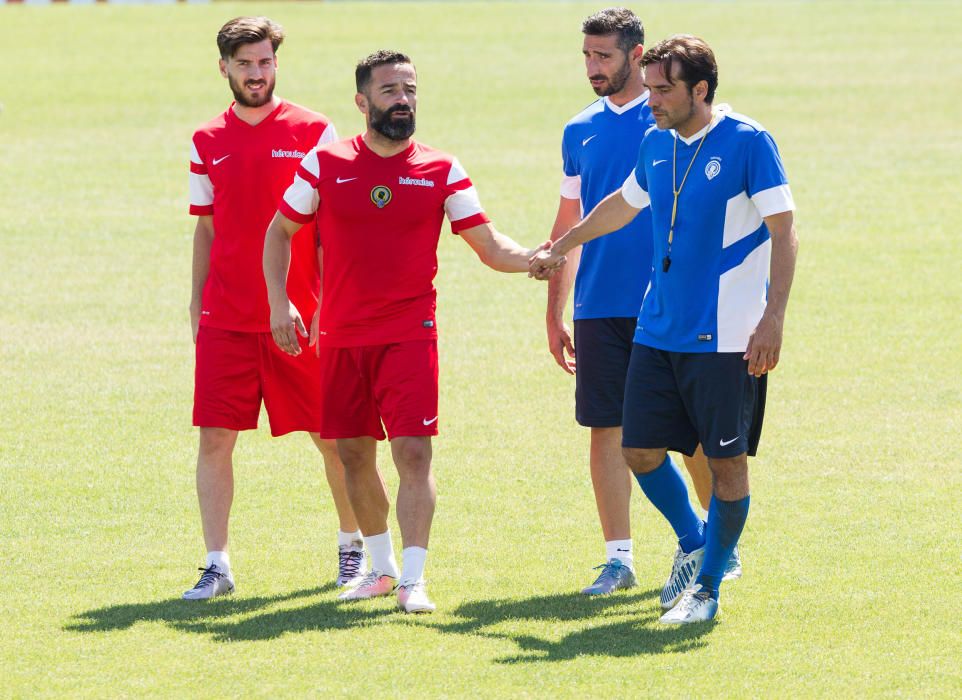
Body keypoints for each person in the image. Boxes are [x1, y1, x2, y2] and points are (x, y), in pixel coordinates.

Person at [263, 50, 558, 613]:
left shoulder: (442, 169)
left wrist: (533, 259)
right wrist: (281, 300)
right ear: (362, 101)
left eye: (410, 90)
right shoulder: (324, 165)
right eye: (390, 90)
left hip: (409, 333)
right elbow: (279, 232)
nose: (403, 100)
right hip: (343, 337)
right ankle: (379, 567)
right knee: (352, 454)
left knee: (413, 454)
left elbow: (491, 245)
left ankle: (413, 579)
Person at [531, 34, 797, 623]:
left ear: (699, 90)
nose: (650, 100)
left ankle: (707, 589)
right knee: (640, 449)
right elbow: (622, 205)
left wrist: (772, 317)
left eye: (663, 90)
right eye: (648, 88)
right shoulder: (655, 143)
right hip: (658, 328)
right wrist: (564, 245)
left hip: (726, 335)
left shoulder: (749, 142)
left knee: (727, 466)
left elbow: (785, 230)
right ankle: (699, 540)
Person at [184, 16, 379, 600]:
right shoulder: (206, 140)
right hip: (227, 317)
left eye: (265, 62)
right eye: (245, 64)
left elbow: (331, 226)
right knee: (215, 440)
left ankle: (352, 551)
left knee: (332, 437)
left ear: (276, 63)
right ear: (224, 67)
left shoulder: (315, 130)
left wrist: (327, 302)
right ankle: (217, 564)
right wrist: (196, 303)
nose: (256, 74)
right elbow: (206, 229)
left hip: (304, 316)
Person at [548, 8, 725, 596]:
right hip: (597, 304)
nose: (593, 67)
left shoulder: (670, 119)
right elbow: (570, 219)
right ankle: (619, 559)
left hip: (667, 304)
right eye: (587, 56)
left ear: (635, 52)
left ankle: (719, 545)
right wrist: (556, 307)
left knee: (693, 431)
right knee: (606, 430)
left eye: (603, 56)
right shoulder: (579, 130)